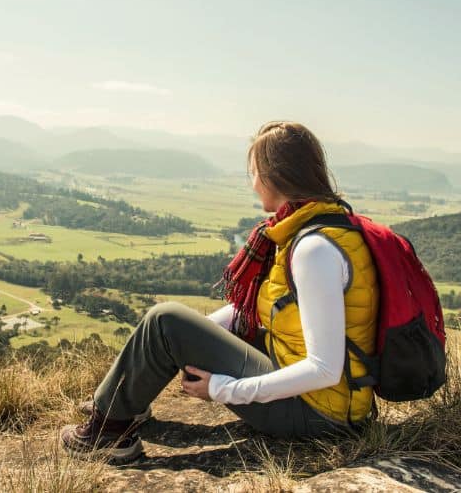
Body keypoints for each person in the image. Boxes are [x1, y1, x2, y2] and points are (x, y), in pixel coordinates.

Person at [60, 121, 379, 463]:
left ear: (274, 177)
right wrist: (184, 342)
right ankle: (122, 403)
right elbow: (261, 311)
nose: (253, 183)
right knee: (172, 328)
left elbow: (324, 368)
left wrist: (223, 389)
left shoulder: (313, 249)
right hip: (331, 400)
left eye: (254, 172)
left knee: (164, 318)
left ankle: (108, 436)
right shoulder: (319, 228)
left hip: (320, 414)